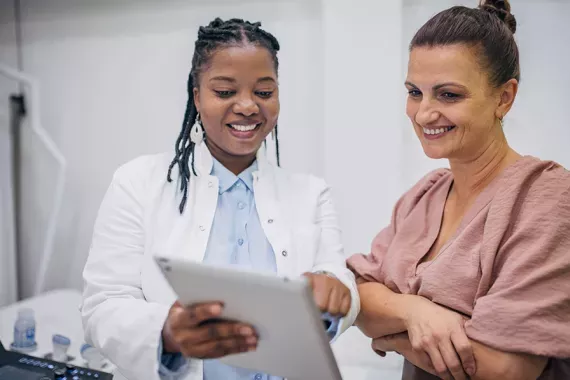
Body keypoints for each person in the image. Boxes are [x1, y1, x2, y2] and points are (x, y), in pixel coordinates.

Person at [81, 18, 359, 380]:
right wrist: (168, 331)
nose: (247, 106)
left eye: (263, 92)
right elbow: (102, 307)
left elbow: (339, 281)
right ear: (197, 96)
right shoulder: (136, 183)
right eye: (225, 92)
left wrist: (337, 294)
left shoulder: (311, 193)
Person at [347, 1, 570, 379]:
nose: (423, 114)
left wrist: (392, 338)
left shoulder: (547, 199)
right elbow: (358, 296)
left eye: (448, 95)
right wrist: (417, 313)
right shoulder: (424, 196)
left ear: (504, 97)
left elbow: (506, 369)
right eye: (415, 92)